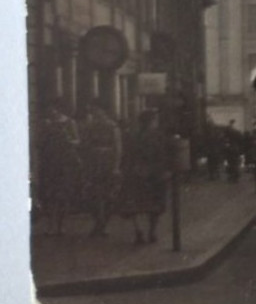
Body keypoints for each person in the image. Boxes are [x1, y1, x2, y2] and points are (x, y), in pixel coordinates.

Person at [122, 110, 169, 245]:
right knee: (155, 204)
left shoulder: (133, 136)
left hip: (136, 172)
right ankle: (152, 232)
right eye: (155, 119)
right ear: (152, 121)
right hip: (154, 173)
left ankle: (139, 231)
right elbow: (162, 155)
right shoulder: (157, 136)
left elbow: (128, 155)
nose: (157, 122)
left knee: (135, 204)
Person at [37, 107, 82, 236]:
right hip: (50, 162)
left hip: (65, 163)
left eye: (55, 110)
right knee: (50, 196)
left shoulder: (69, 123)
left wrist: (68, 140)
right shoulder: (46, 123)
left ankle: (61, 226)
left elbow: (77, 141)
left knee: (63, 195)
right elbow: (39, 143)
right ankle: (51, 225)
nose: (52, 112)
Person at [79, 104, 122, 238]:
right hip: (93, 164)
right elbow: (85, 145)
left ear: (104, 112)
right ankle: (98, 222)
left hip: (107, 164)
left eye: (98, 111)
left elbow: (117, 147)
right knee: (92, 195)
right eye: (94, 112)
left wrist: (115, 166)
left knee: (108, 195)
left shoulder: (112, 127)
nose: (96, 115)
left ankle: (102, 224)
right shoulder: (89, 127)